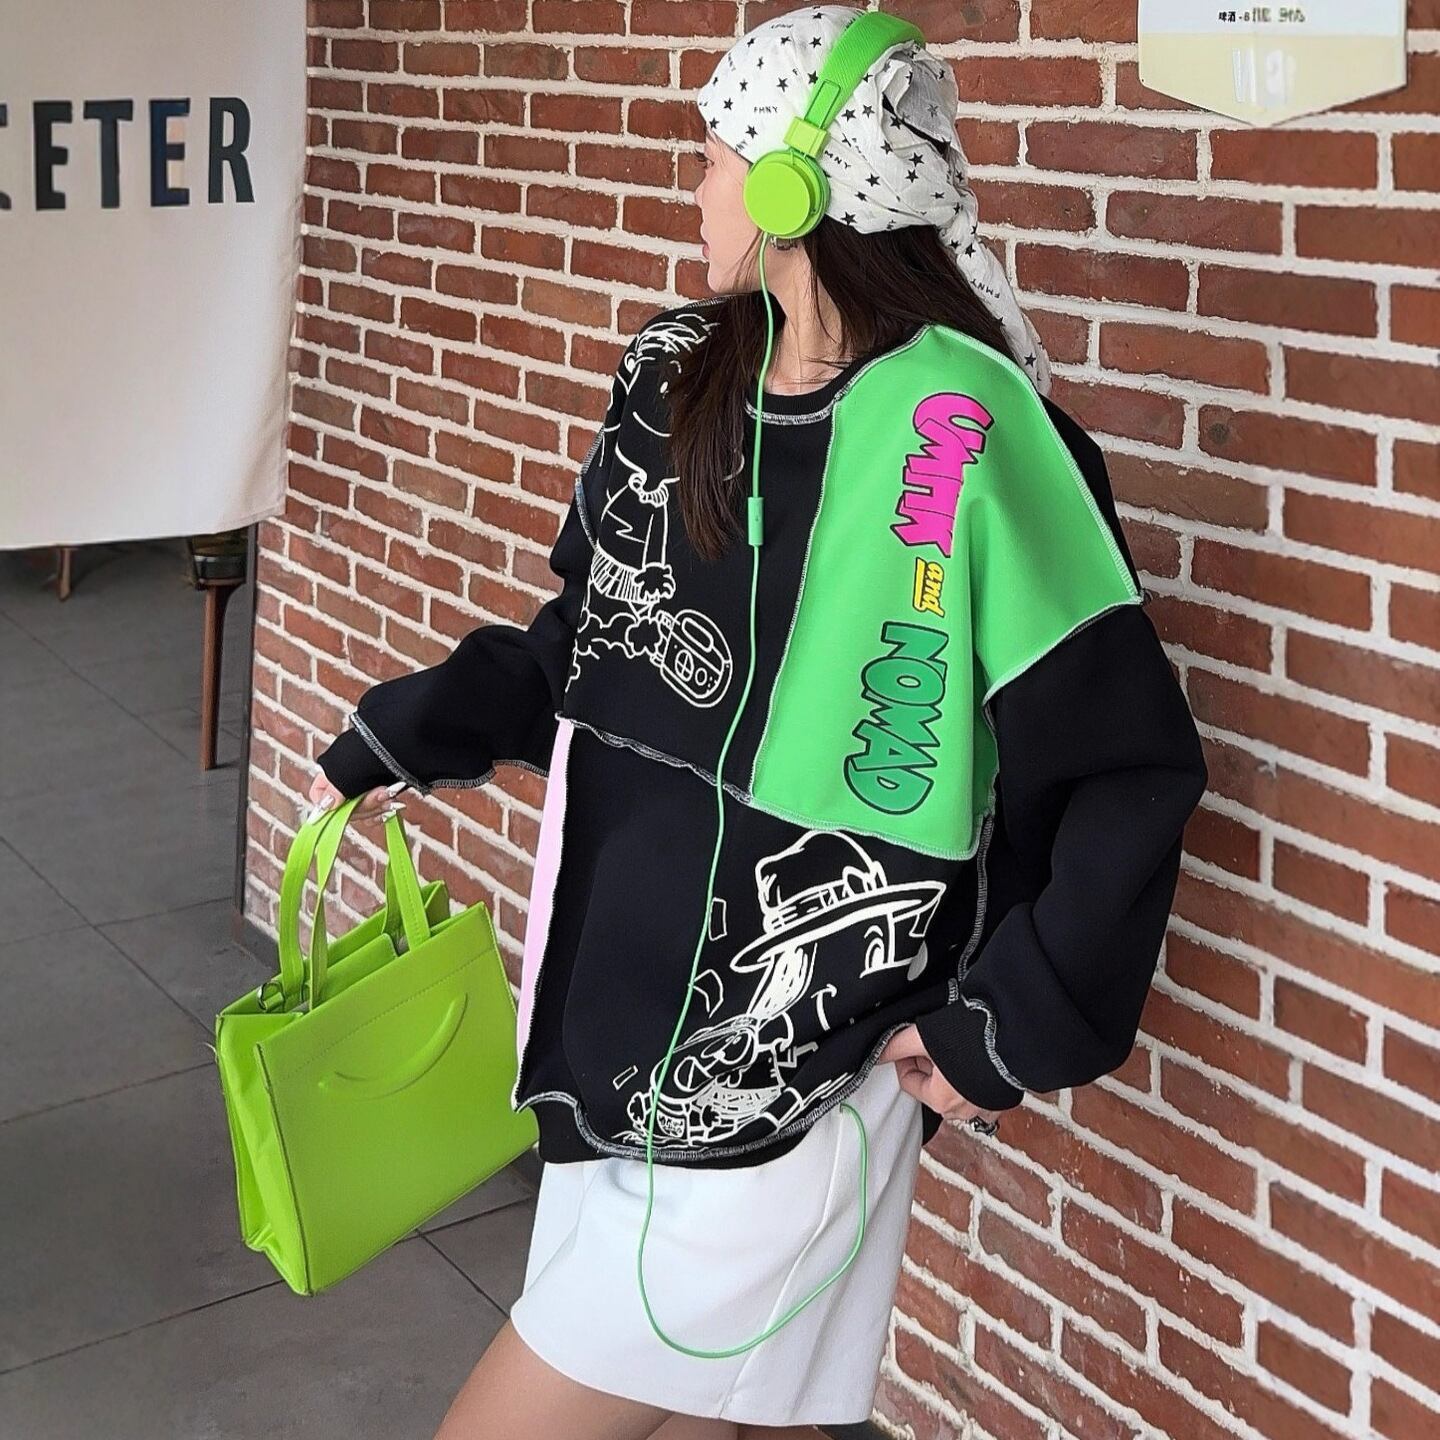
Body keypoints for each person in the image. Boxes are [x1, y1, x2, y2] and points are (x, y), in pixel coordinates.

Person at [307, 8, 1209, 1438]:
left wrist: (1014, 1020)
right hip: (609, 1020)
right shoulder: (679, 371)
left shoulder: (971, 431)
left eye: (717, 155)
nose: (698, 188)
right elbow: (596, 632)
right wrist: (417, 727)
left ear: (798, 186)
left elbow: (1127, 762)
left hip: (792, 1075)